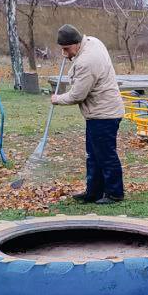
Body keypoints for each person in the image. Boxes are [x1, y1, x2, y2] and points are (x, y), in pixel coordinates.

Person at [49, 24, 126, 204]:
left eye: (66, 49)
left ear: (76, 43)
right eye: (62, 49)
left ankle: (115, 193)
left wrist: (57, 99)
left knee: (106, 155)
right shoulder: (92, 42)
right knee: (94, 155)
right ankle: (94, 192)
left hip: (104, 113)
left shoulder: (87, 61)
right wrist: (71, 58)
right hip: (98, 112)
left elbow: (77, 95)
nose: (64, 53)